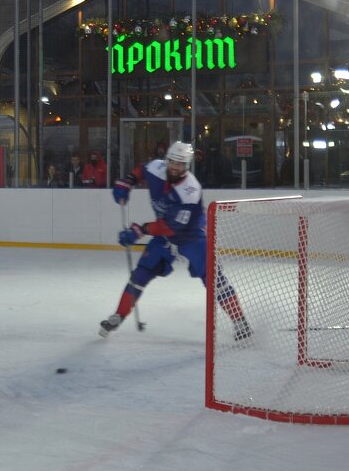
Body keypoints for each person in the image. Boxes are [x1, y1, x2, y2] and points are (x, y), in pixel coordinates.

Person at [103, 141, 252, 341]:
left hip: (191, 237)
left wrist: (140, 230)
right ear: (167, 160)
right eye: (172, 161)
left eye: (180, 164)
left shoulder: (190, 190)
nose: (175, 167)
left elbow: (171, 227)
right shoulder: (157, 167)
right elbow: (141, 170)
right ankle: (118, 315)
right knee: (141, 273)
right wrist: (128, 181)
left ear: (187, 165)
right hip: (164, 236)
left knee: (215, 279)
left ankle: (240, 321)